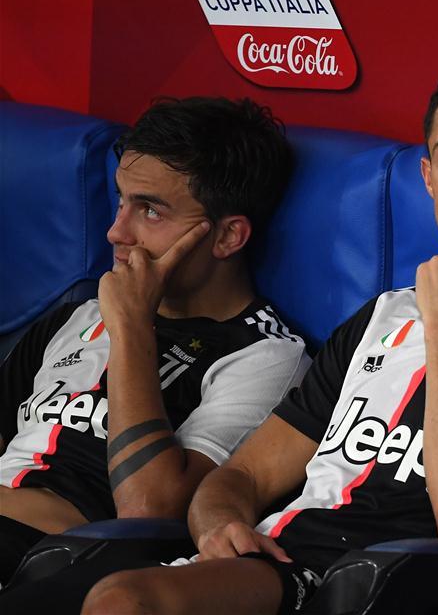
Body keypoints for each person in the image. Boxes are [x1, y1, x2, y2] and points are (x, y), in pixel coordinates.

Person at [60, 49, 438, 614]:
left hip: (389, 585)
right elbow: (243, 475)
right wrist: (218, 524)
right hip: (281, 563)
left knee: (124, 602)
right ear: (429, 177)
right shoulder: (386, 314)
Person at [0, 97, 310, 585]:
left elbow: (147, 512)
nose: (115, 232)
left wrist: (131, 328)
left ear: (228, 237)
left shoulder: (264, 356)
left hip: (56, 561)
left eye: (150, 210)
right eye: (121, 201)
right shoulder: (77, 316)